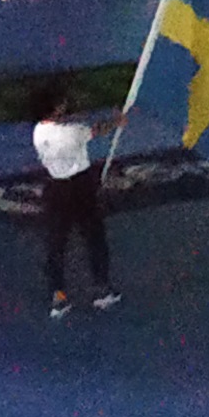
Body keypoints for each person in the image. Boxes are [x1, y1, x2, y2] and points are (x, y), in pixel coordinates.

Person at [32, 89, 125, 319]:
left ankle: (58, 297)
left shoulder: (38, 131)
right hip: (80, 189)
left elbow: (69, 124)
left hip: (55, 189)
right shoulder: (73, 133)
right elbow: (97, 130)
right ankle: (102, 289)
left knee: (56, 244)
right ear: (57, 108)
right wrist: (116, 121)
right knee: (94, 237)